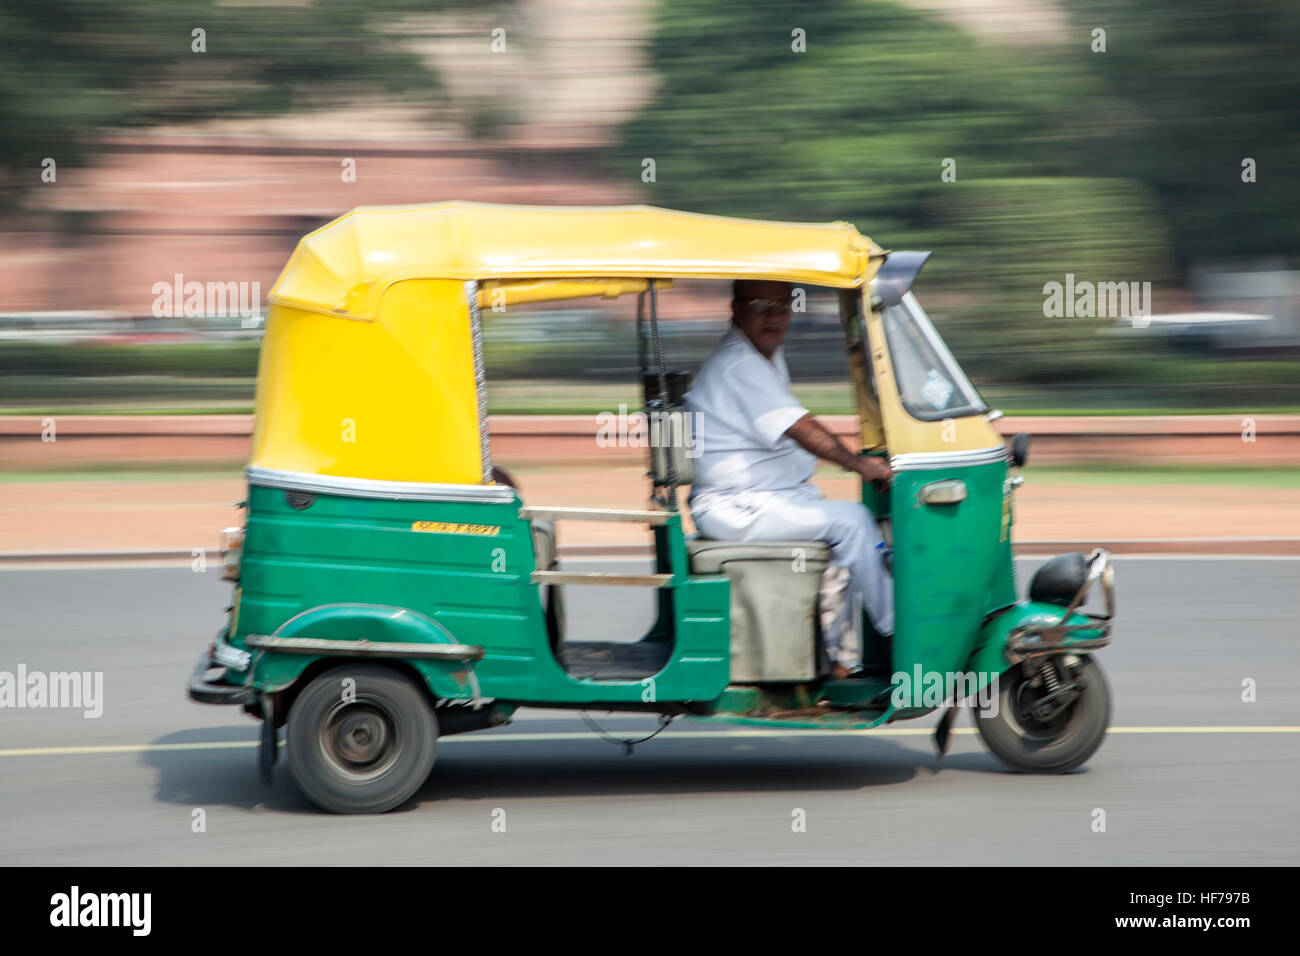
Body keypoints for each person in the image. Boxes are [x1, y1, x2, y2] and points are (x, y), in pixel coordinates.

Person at [685, 279, 894, 678]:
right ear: (735, 309)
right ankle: (901, 631)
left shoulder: (762, 355)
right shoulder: (738, 363)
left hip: (766, 496)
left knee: (840, 532)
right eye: (760, 306)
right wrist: (861, 465)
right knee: (851, 523)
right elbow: (799, 427)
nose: (772, 317)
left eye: (781, 307)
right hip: (735, 506)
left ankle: (839, 662)